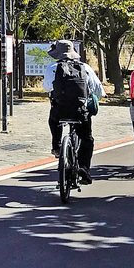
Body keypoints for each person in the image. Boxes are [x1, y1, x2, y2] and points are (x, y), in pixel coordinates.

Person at [42, 39, 105, 185]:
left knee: (53, 120)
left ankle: (57, 147)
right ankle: (84, 169)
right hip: (80, 111)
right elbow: (99, 90)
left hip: (60, 110)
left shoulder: (52, 67)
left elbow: (46, 87)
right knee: (86, 138)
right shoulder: (85, 68)